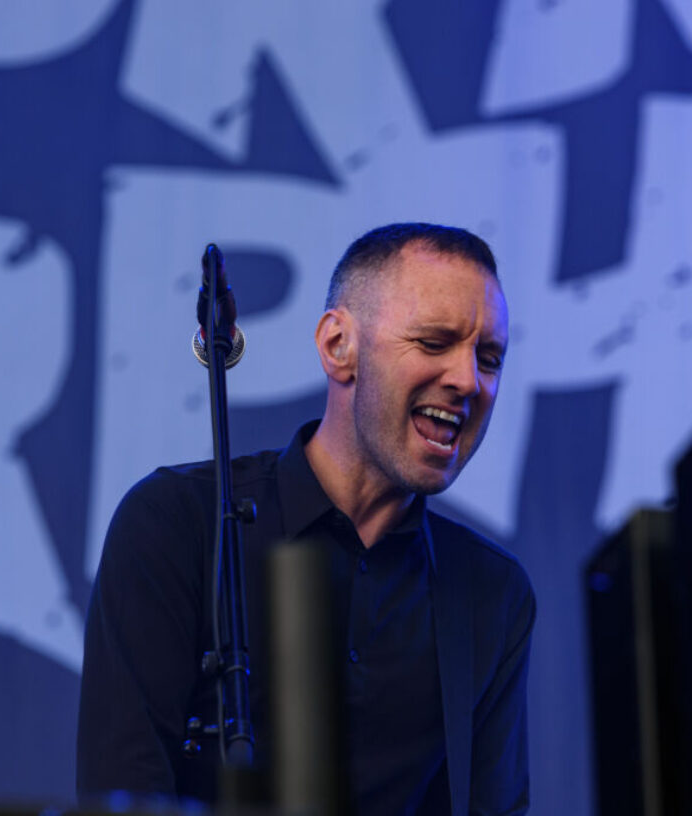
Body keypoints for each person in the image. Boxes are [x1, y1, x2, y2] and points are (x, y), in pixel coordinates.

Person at [77, 223, 536, 815]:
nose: (467, 380)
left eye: (489, 358)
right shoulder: (175, 524)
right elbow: (125, 790)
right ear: (338, 346)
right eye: (432, 342)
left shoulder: (490, 594)